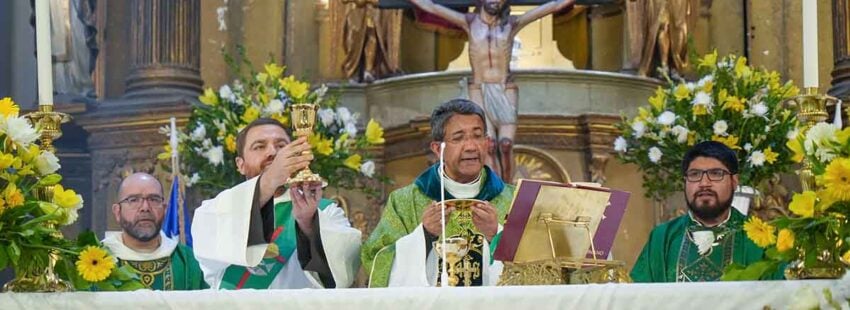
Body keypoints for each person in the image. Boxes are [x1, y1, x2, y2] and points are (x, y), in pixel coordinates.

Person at [409, 0, 575, 181]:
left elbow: (553, 6)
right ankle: (496, 190)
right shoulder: (469, 22)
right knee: (489, 145)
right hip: (478, 89)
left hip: (504, 89)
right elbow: (431, 7)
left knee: (505, 144)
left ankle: (507, 185)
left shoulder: (511, 24)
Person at [191, 118, 361, 289]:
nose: (273, 152)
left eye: (281, 146)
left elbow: (342, 274)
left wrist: (309, 226)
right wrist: (269, 180)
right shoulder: (215, 211)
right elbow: (207, 244)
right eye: (259, 146)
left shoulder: (325, 211)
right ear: (240, 165)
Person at [362, 99, 515, 287]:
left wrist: (496, 235)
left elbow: (539, 268)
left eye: (477, 136)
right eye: (458, 138)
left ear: (487, 142)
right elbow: (376, 260)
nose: (471, 147)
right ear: (437, 149)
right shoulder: (405, 202)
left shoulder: (514, 201)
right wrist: (424, 236)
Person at [630, 141, 781, 282]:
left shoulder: (760, 239)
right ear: (685, 182)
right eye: (694, 174)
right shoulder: (662, 238)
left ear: (734, 182)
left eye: (716, 174)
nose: (704, 183)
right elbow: (638, 296)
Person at [102, 173, 206, 290]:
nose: (145, 207)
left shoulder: (187, 262)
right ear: (117, 211)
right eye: (134, 200)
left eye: (154, 199)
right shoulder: (96, 260)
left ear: (165, 209)